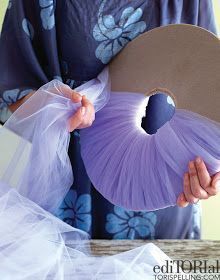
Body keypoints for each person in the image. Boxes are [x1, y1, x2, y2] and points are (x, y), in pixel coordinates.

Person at [0, 0, 219, 239]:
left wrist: (211, 172)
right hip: (69, 196)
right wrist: (55, 106)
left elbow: (210, 87)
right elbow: (10, 89)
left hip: (165, 187)